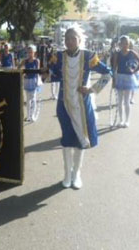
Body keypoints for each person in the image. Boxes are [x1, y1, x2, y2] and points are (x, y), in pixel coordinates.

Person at [49, 27, 112, 189]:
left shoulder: (88, 56)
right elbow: (53, 74)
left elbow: (107, 73)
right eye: (67, 38)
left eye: (73, 37)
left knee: (80, 139)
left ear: (79, 39)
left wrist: (92, 89)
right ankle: (67, 174)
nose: (69, 41)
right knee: (67, 139)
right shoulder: (59, 57)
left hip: (82, 106)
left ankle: (76, 174)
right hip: (64, 105)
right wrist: (44, 73)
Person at [114, 36, 139, 127]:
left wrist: (134, 71)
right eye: (122, 43)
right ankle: (121, 120)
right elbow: (114, 67)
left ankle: (127, 121)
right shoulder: (117, 54)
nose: (124, 45)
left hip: (128, 78)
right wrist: (113, 80)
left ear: (129, 44)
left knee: (126, 101)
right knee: (119, 102)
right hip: (119, 77)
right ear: (120, 44)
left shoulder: (132, 52)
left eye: (126, 43)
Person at [20, 46, 40, 122]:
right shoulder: (25, 61)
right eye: (28, 52)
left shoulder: (36, 61)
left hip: (33, 80)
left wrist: (38, 81)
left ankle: (32, 116)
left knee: (33, 98)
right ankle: (28, 116)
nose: (30, 53)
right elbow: (19, 67)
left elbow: (38, 72)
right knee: (28, 99)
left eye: (31, 52)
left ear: (34, 52)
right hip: (27, 81)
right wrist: (23, 72)